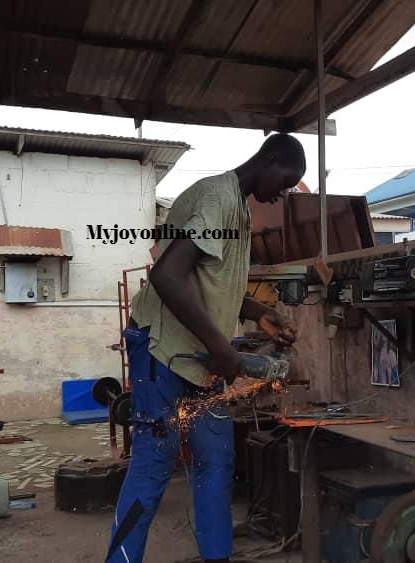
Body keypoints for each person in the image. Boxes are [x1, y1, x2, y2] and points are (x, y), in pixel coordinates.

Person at [106, 134, 306, 563]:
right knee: (154, 462)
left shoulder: (239, 207)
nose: (283, 194)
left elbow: (210, 277)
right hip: (162, 350)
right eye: (285, 182)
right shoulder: (218, 198)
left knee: (215, 460)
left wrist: (257, 311)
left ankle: (217, 556)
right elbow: (167, 275)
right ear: (271, 159)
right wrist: (224, 350)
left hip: (200, 359)